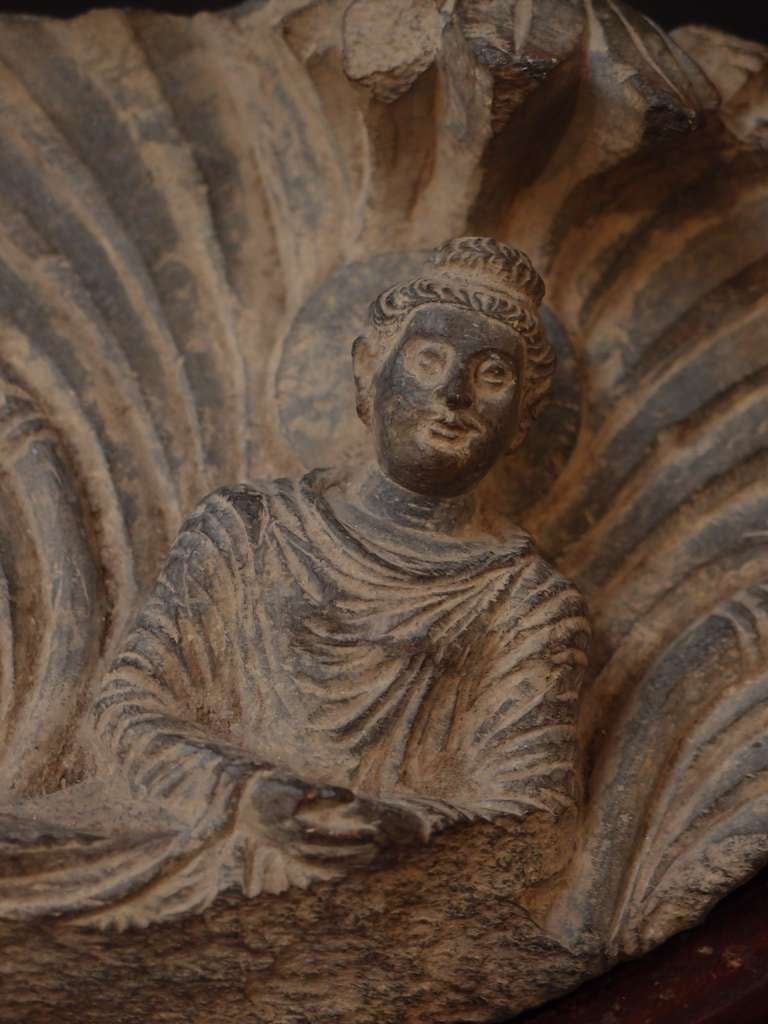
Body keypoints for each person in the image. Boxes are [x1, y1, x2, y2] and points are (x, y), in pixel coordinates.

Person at [90, 237, 590, 909]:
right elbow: (127, 707)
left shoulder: (525, 601)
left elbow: (537, 815)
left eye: (493, 374)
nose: (453, 394)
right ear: (368, 371)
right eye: (428, 358)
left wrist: (407, 826)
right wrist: (243, 794)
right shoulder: (249, 526)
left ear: (524, 418)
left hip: (382, 889)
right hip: (182, 842)